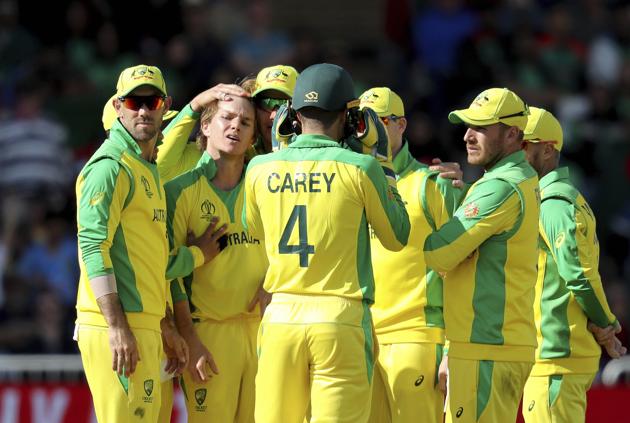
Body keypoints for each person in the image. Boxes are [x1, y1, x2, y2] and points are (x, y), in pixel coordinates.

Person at [242, 63, 410, 423]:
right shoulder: (361, 167)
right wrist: (384, 163)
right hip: (340, 317)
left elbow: (253, 227)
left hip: (281, 317)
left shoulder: (258, 169)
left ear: (292, 114)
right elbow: (397, 237)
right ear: (349, 116)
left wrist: (280, 149)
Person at [75, 64, 221, 422]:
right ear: (118, 105)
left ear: (164, 104)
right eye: (133, 102)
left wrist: (164, 325)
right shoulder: (110, 167)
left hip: (144, 324)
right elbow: (93, 248)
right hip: (119, 326)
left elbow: (148, 262)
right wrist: (118, 327)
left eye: (151, 101)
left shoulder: (146, 168)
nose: (142, 110)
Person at [424, 88, 540, 423]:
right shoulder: (516, 178)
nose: (467, 135)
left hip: (487, 347)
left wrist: (439, 200)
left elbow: (438, 254)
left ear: (512, 134)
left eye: (480, 127)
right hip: (493, 344)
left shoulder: (500, 186)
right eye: (467, 126)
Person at [360, 87, 463, 423]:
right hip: (362, 340)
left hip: (418, 338)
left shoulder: (434, 184)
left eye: (380, 122)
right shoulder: (351, 182)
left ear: (401, 125)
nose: (370, 132)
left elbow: (462, 270)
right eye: (362, 123)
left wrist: (453, 349)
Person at [165, 89, 268, 422]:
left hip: (264, 332)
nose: (235, 126)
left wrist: (276, 285)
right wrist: (190, 338)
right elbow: (173, 277)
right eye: (226, 117)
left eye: (245, 122)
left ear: (254, 135)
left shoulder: (267, 184)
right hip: (209, 334)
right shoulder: (179, 192)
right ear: (205, 127)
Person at [521, 107, 627, 423]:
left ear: (548, 149)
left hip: (555, 356)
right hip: (558, 355)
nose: (514, 150)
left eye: (523, 143)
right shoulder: (564, 198)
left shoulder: (553, 204)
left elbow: (579, 276)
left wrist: (606, 325)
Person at [155, 64, 299, 182]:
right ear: (253, 109)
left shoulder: (314, 155)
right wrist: (195, 105)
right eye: (266, 103)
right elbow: (159, 166)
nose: (274, 115)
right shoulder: (228, 152)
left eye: (284, 105)